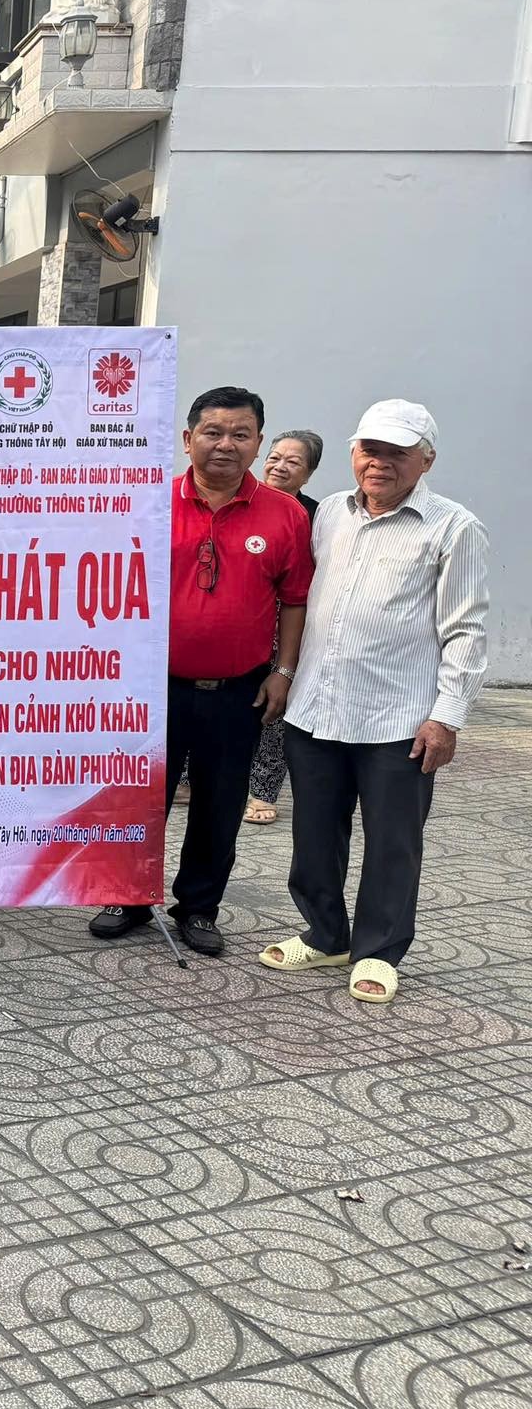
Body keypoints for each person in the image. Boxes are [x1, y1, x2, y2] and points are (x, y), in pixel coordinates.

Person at [262, 400, 489, 1005]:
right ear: (353, 452)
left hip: (399, 720)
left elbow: (466, 631)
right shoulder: (330, 512)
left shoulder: (452, 527)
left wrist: (447, 715)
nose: (380, 462)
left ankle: (379, 951)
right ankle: (325, 934)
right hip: (316, 708)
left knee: (393, 842)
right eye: (370, 449)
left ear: (426, 460)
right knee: (314, 834)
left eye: (397, 453)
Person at [89, 386, 312, 958]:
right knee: (137, 796)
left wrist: (284, 670)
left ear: (258, 443)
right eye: (213, 432)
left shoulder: (286, 514)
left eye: (241, 434)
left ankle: (198, 908)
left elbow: (295, 599)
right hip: (151, 686)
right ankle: (126, 897)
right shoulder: (149, 503)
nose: (226, 444)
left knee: (219, 804)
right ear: (188, 440)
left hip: (238, 690)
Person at [245, 430, 325, 825]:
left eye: (293, 462)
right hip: (243, 619)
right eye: (275, 457)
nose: (280, 466)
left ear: (309, 473)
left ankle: (262, 790)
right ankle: (190, 780)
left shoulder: (317, 517)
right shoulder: (244, 500)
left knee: (275, 702)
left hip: (290, 622)